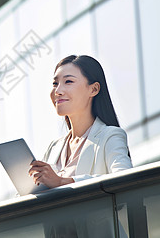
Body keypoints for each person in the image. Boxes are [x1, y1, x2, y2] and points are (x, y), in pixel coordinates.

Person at [29, 55, 132, 188]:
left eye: (68, 82)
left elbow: (125, 179)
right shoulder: (54, 147)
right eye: (55, 84)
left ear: (93, 89)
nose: (58, 91)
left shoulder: (110, 136)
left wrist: (63, 182)